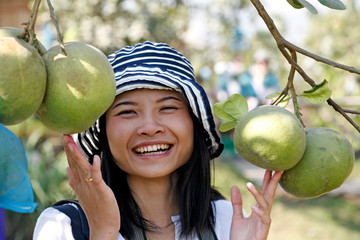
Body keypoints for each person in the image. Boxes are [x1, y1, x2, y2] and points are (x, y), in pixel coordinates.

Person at [33, 41, 283, 240]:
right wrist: (103, 233)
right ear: (103, 131)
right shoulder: (63, 226)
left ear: (193, 123)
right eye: (127, 111)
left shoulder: (228, 221)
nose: (149, 128)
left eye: (168, 108)